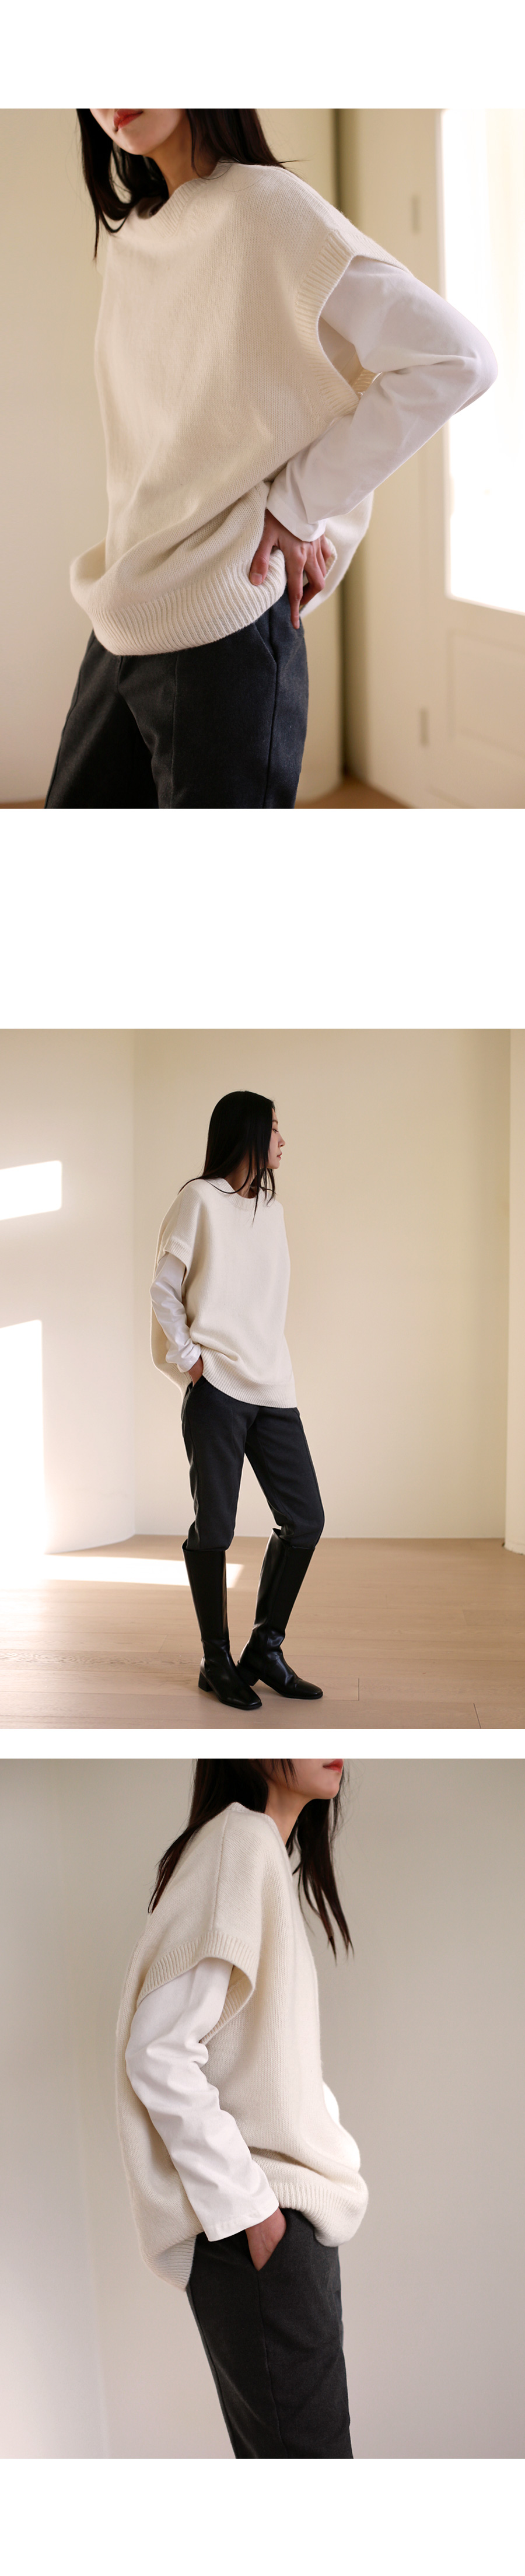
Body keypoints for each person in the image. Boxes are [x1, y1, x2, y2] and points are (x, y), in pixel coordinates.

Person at [46, 109, 497, 810]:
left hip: (225, 628)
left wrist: (299, 503)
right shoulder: (133, 237)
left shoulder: (265, 208)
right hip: (124, 610)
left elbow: (459, 359)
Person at [117, 1757, 367, 2459]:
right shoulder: (241, 1841)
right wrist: (255, 2212)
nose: (338, 1746)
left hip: (283, 2229)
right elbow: (158, 2050)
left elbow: (271, 2065)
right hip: (263, 2233)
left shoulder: (259, 1855)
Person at [150, 1088, 324, 1708]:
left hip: (273, 1385)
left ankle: (265, 1649)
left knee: (306, 1519)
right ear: (248, 1132)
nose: (283, 1139)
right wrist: (191, 1360)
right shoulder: (198, 1200)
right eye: (274, 1127)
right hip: (217, 1389)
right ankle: (215, 1659)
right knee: (215, 1529)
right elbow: (164, 1289)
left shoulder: (271, 1211)